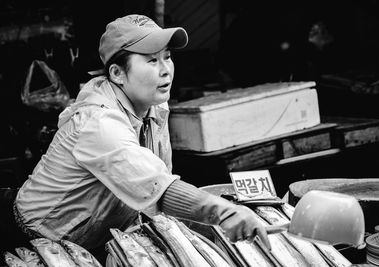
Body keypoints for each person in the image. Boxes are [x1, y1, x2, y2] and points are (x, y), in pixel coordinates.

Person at [14, 14, 272, 257]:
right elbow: (158, 188)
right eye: (151, 60)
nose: (165, 70)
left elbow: (157, 174)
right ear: (117, 73)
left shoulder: (154, 105)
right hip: (38, 237)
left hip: (94, 236)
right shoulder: (98, 122)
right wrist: (224, 213)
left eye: (167, 57)